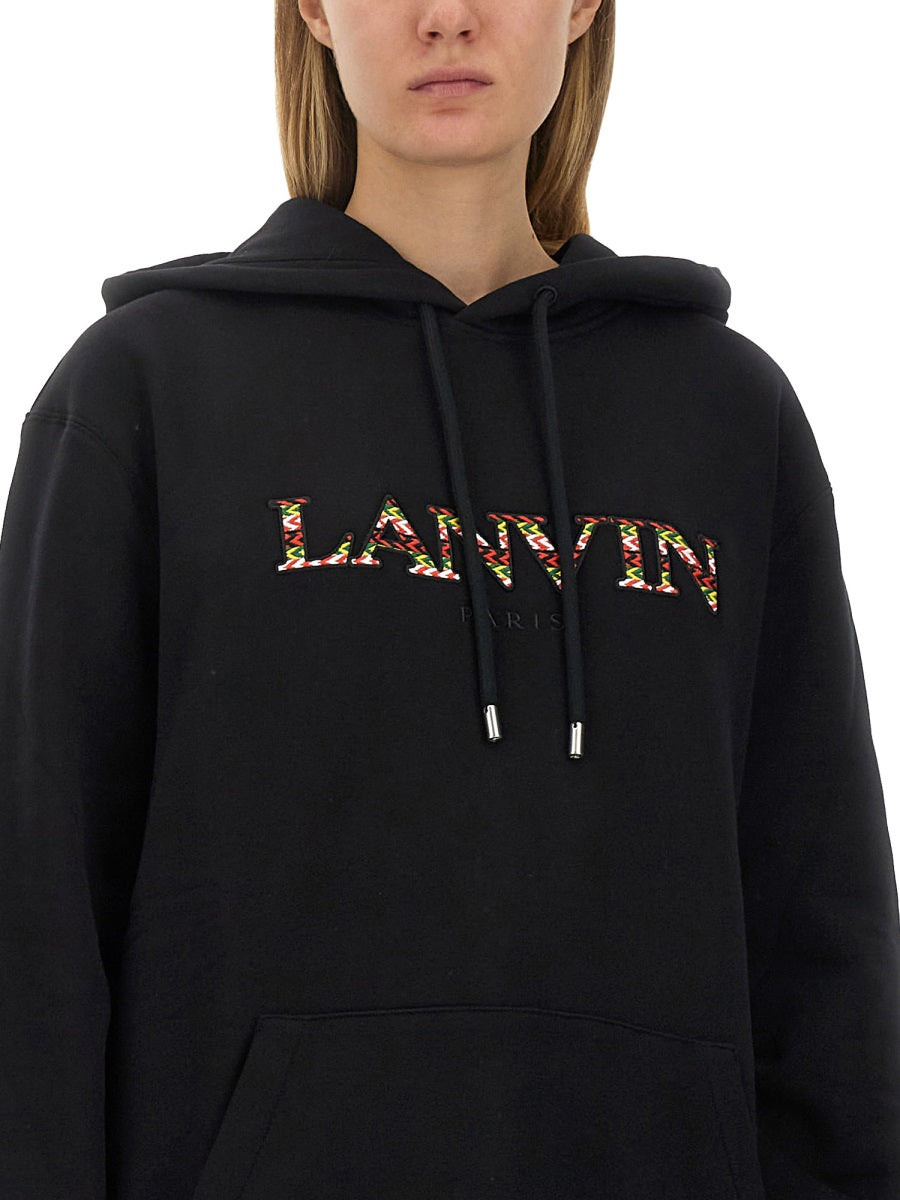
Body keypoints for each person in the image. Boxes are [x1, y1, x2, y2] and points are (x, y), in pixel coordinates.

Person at [1, 0, 898, 1196]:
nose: (447, 18)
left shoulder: (730, 415)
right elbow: (36, 900)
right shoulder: (146, 388)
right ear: (315, 11)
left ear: (580, 8)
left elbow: (821, 915)